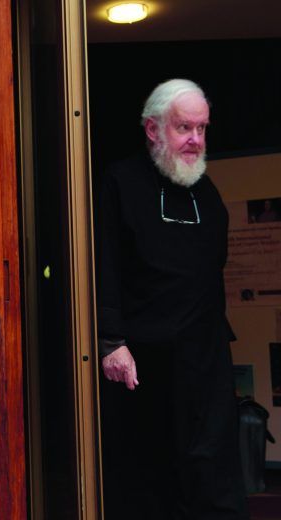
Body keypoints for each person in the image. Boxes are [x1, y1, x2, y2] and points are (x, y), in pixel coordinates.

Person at [96, 79, 248, 519]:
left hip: (206, 359)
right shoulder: (120, 182)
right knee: (153, 478)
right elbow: (104, 264)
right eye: (185, 128)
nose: (195, 141)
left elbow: (213, 269)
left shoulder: (209, 193)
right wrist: (111, 341)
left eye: (202, 129)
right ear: (152, 129)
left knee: (214, 472)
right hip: (144, 361)